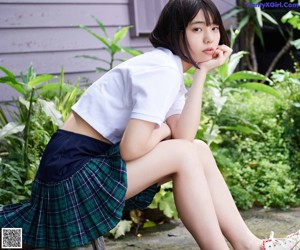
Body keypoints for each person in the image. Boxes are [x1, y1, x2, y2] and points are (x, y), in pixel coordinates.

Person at [0, 0, 299, 249]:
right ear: (175, 33)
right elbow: (133, 149)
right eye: (197, 29)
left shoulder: (169, 69)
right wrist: (166, 130)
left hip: (80, 167)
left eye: (214, 28)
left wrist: (202, 73)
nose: (210, 38)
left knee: (198, 149)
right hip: (70, 174)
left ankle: (251, 245)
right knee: (184, 152)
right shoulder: (161, 71)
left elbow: (185, 135)